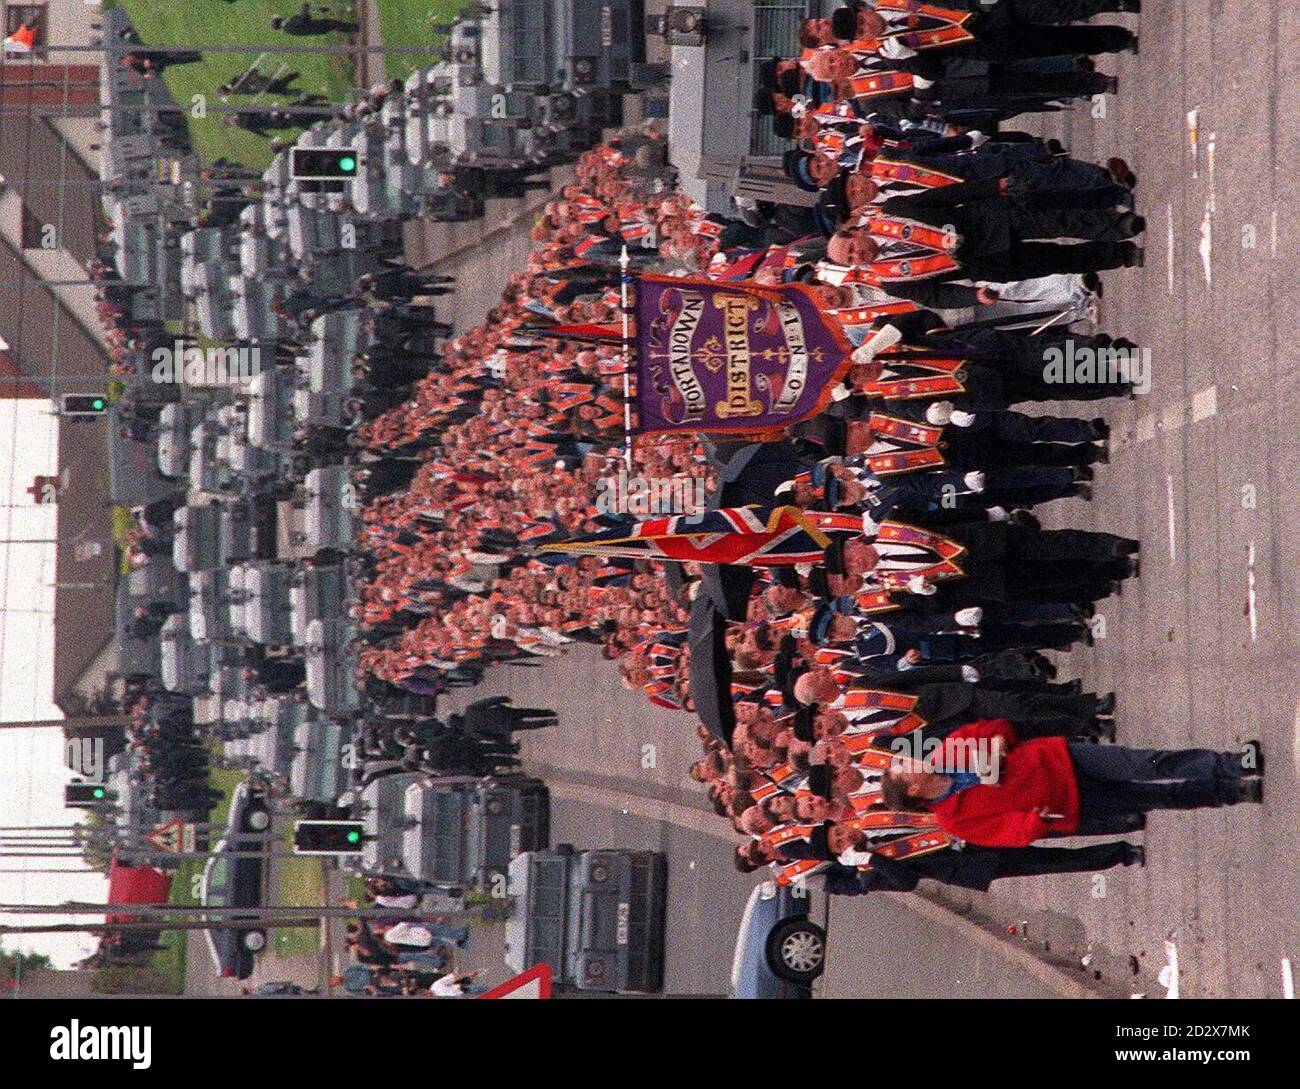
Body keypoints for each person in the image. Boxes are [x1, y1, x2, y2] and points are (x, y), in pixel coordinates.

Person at [881, 718, 1263, 846]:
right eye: (903, 766)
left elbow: (995, 728)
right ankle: (1230, 792)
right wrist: (1033, 820)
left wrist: (998, 742)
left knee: (1147, 762)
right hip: (1066, 803)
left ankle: (1231, 764)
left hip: (1059, 758)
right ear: (912, 790)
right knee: (1154, 796)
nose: (910, 758)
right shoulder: (952, 819)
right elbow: (1005, 834)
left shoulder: (946, 751)